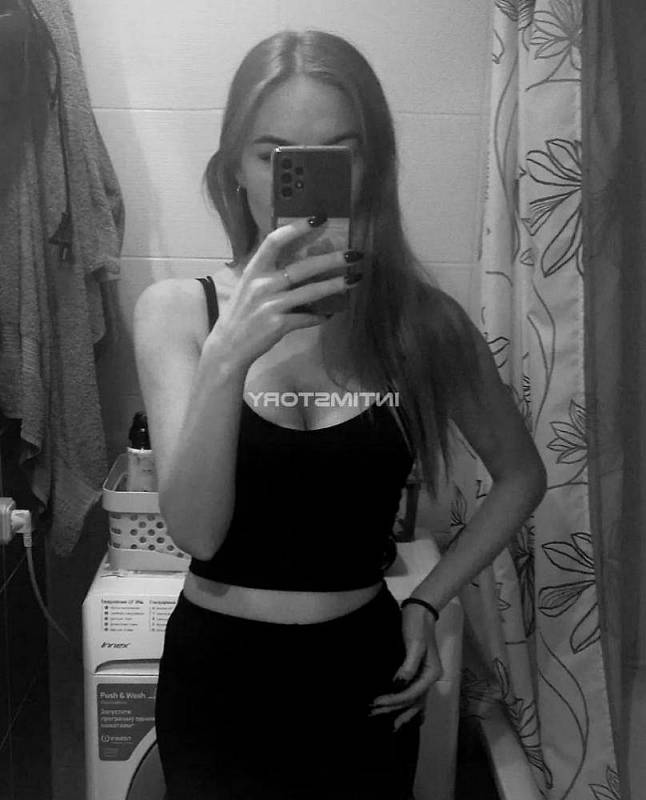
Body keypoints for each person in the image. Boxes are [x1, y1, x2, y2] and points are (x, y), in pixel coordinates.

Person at [133, 29, 546, 800]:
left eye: (337, 154)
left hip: (364, 678)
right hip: (219, 681)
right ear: (236, 170)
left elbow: (522, 476)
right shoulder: (177, 314)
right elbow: (197, 533)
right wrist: (228, 356)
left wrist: (429, 598)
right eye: (275, 156)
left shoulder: (422, 322)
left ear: (371, 166)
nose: (304, 182)